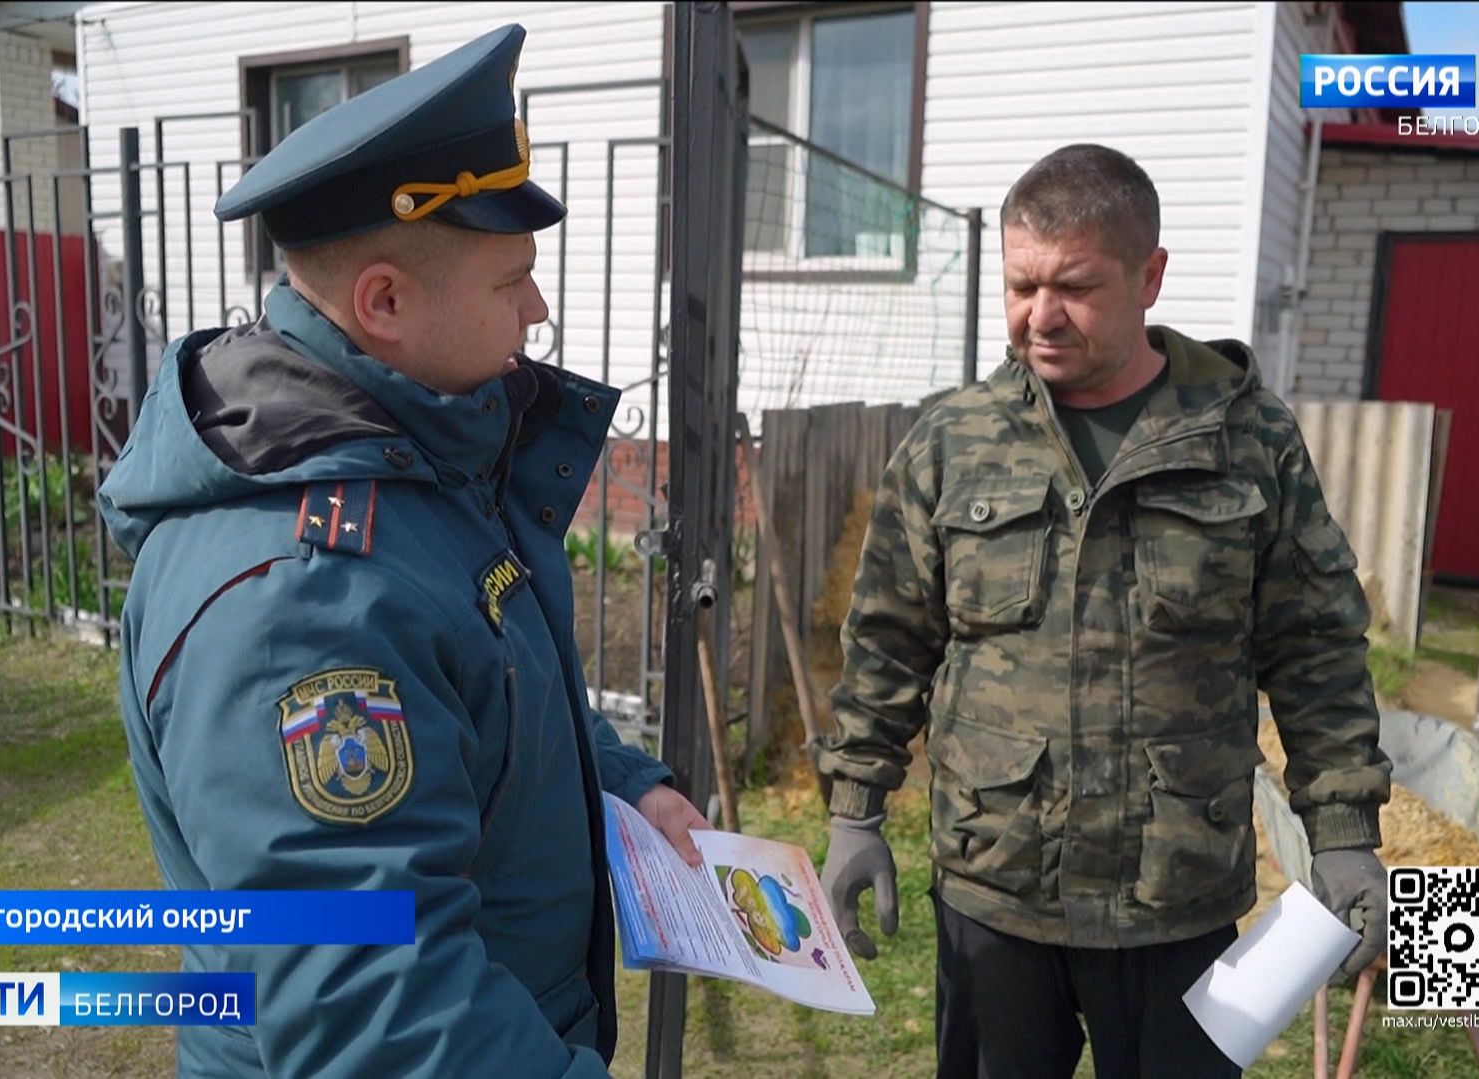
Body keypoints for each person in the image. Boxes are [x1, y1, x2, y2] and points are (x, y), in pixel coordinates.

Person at [98, 24, 708, 1078]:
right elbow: (374, 1008)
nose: (537, 308)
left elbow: (479, 697)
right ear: (384, 302)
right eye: (510, 279)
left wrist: (623, 780)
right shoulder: (299, 598)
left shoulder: (415, 458)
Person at [814, 143, 1394, 1079]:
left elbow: (1315, 643)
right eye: (1019, 286)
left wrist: (1343, 835)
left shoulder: (1244, 439)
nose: (1038, 317)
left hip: (1174, 892)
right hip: (995, 881)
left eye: (1073, 286)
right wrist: (854, 812)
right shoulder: (953, 441)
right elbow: (888, 638)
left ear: (1148, 276)